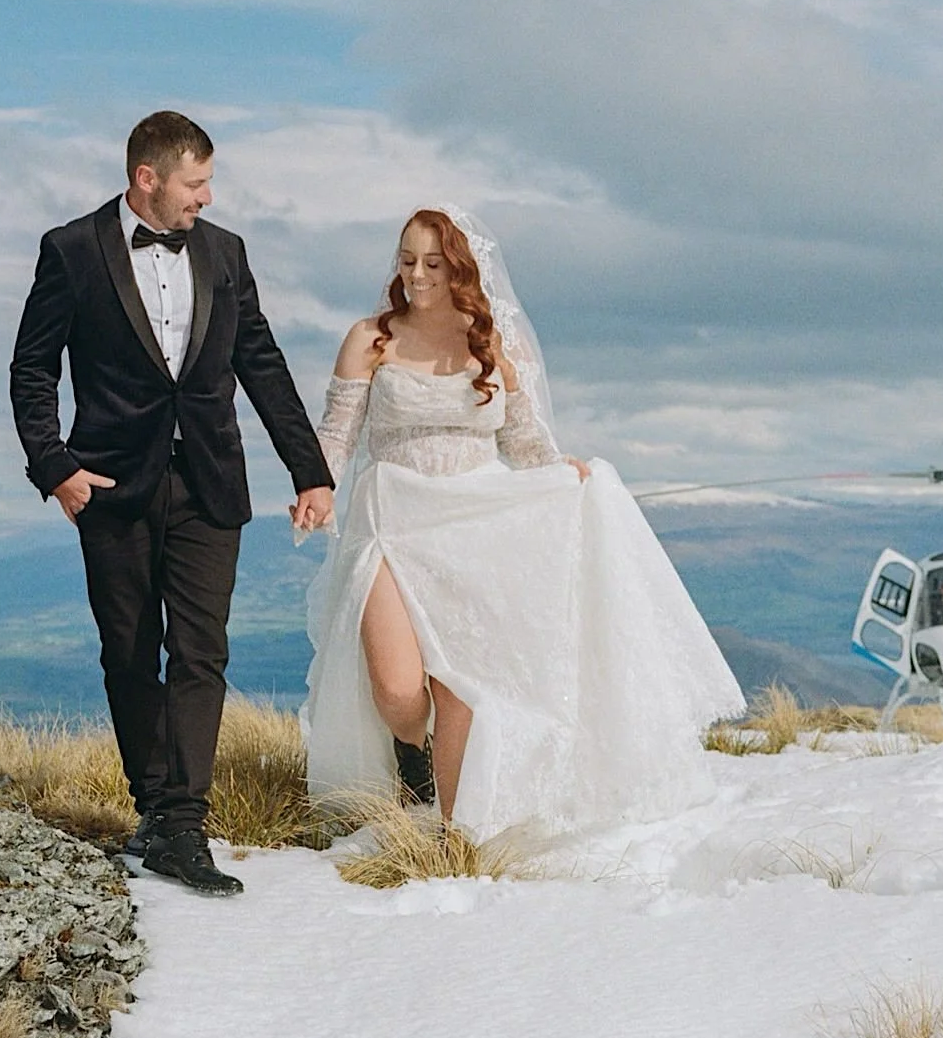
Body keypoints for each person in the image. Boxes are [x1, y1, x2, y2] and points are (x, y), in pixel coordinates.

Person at [301, 204, 746, 840]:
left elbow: (524, 440)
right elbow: (337, 434)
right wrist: (316, 485)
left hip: (478, 527)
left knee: (459, 680)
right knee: (398, 688)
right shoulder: (369, 339)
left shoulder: (490, 346)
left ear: (460, 270)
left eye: (432, 263)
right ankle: (411, 752)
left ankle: (455, 839)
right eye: (406, 261)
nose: (417, 276)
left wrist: (562, 475)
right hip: (391, 522)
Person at [10, 111, 334, 896]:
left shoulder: (225, 252)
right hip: (111, 485)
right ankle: (151, 809)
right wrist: (55, 467)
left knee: (200, 652)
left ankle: (185, 825)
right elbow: (31, 367)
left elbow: (261, 359)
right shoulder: (72, 248)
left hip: (210, 481)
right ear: (146, 178)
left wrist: (309, 470)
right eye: (195, 182)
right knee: (128, 650)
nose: (207, 196)